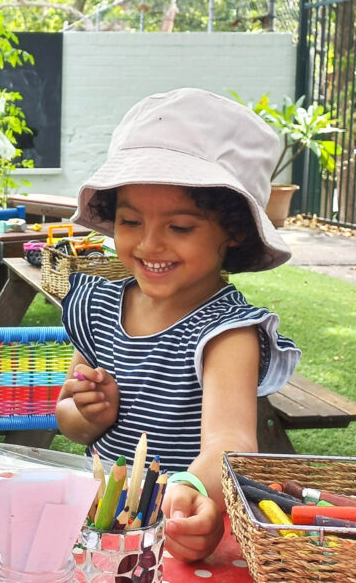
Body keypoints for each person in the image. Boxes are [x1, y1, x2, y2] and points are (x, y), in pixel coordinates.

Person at [55, 88, 301, 562]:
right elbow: (70, 419)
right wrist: (87, 414)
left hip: (176, 527)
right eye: (130, 221)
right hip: (98, 527)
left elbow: (230, 443)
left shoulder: (227, 332)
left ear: (233, 230)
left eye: (180, 227)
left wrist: (191, 489)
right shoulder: (98, 306)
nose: (149, 245)